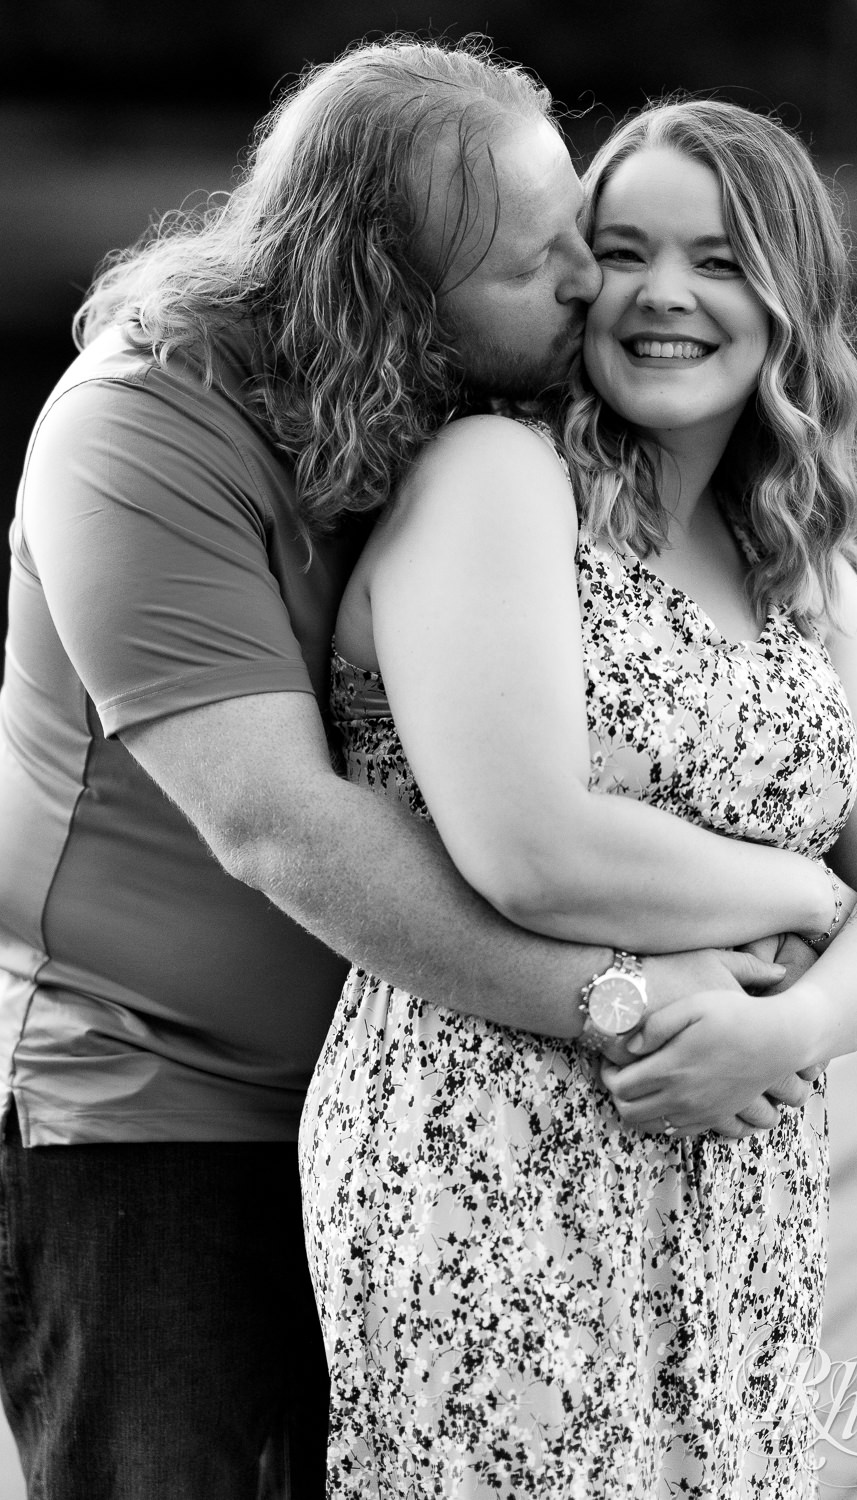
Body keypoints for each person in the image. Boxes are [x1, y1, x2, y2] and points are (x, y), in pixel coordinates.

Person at [0, 40, 808, 1500]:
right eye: (538, 263)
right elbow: (280, 829)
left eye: (582, 235)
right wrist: (619, 999)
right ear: (385, 290)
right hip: (160, 1115)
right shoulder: (138, 430)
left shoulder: (464, 397)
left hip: (418, 1095)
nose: (589, 288)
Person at [298, 97, 857, 1496]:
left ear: (792, 304)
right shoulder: (498, 478)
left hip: (737, 1159)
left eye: (722, 260)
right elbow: (530, 850)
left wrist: (792, 1023)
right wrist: (811, 895)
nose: (666, 293)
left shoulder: (800, 565)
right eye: (625, 249)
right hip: (486, 1151)